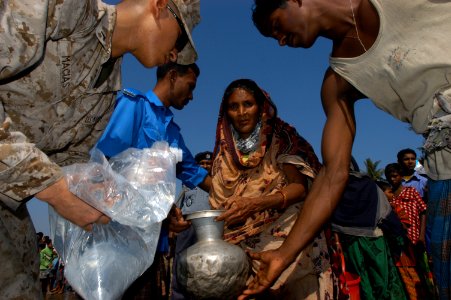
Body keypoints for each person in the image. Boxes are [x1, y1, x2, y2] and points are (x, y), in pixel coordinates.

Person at [246, 1, 451, 298]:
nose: (280, 41)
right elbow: (333, 174)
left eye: (277, 26)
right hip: (444, 165)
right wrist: (283, 254)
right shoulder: (339, 83)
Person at [0, 0, 200, 297]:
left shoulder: (105, 97)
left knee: (22, 284)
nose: (173, 54)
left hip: (8, 194)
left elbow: (72, 165)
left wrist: (139, 208)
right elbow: (56, 183)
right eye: (179, 40)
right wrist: (54, 190)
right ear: (159, 6)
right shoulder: (67, 8)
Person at [96, 62, 211, 299]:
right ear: (172, 76)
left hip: (152, 247)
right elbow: (103, 166)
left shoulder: (173, 132)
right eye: (190, 87)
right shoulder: (133, 107)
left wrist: (238, 194)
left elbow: (195, 173)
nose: (191, 96)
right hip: (117, 242)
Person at [209, 79, 333, 299]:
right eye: (233, 107)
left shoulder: (280, 138)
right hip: (243, 252)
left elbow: (300, 188)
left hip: (288, 243)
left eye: (248, 104)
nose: (241, 112)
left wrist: (255, 204)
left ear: (260, 106)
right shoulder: (224, 153)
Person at [331, 160, 407, 300]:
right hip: (375, 242)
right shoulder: (369, 186)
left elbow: (330, 218)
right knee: (383, 282)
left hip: (350, 245)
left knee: (362, 284)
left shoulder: (331, 189)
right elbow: (387, 215)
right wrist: (399, 241)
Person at [171, 150, 213, 300]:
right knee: (182, 260)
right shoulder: (188, 183)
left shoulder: (217, 183)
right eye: (202, 163)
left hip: (209, 227)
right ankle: (178, 295)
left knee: (207, 263)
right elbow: (179, 204)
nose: (205, 165)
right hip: (187, 226)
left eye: (209, 163)